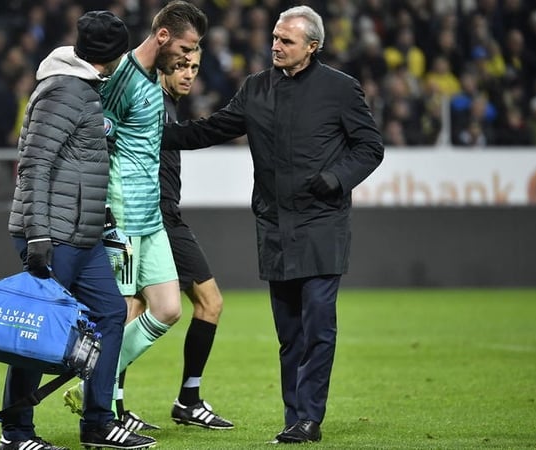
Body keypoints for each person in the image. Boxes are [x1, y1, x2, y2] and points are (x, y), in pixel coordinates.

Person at [161, 5, 384, 444]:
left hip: (322, 223)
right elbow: (211, 129)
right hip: (275, 225)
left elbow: (369, 147)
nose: (276, 46)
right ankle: (293, 416)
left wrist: (334, 179)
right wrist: (155, 133)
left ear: (313, 46)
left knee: (318, 325)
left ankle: (309, 418)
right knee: (289, 332)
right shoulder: (256, 88)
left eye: (286, 41)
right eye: (276, 38)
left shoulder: (340, 89)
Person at [3, 11, 155, 450]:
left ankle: (97, 424)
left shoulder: (84, 89)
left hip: (80, 233)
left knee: (109, 314)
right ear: (116, 54)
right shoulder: (64, 91)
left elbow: (74, 166)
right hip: (53, 234)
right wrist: (36, 236)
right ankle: (15, 433)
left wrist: (98, 213)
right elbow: (33, 165)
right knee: (36, 329)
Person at [63, 0, 208, 432]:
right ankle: (102, 405)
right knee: (123, 309)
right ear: (163, 37)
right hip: (122, 216)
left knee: (167, 308)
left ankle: (89, 378)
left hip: (151, 216)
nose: (188, 57)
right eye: (186, 46)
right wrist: (100, 205)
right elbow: (95, 139)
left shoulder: (153, 81)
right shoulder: (123, 75)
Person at [157, 49, 234, 429]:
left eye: (194, 68)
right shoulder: (152, 102)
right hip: (160, 217)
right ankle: (188, 399)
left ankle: (111, 404)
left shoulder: (167, 105)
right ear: (161, 66)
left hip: (162, 214)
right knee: (209, 302)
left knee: (135, 311)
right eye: (180, 67)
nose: (189, 75)